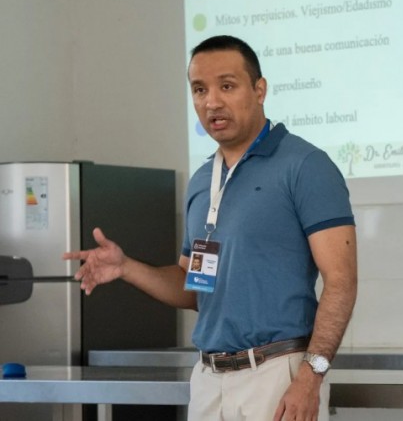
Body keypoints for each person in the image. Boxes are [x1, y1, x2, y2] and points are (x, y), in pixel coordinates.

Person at [63, 35, 357, 421]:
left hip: (276, 375)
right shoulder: (203, 180)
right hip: (208, 379)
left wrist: (310, 377)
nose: (212, 102)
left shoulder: (305, 166)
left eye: (227, 86)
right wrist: (126, 268)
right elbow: (195, 288)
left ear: (259, 90)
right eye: (200, 89)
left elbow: (341, 281)